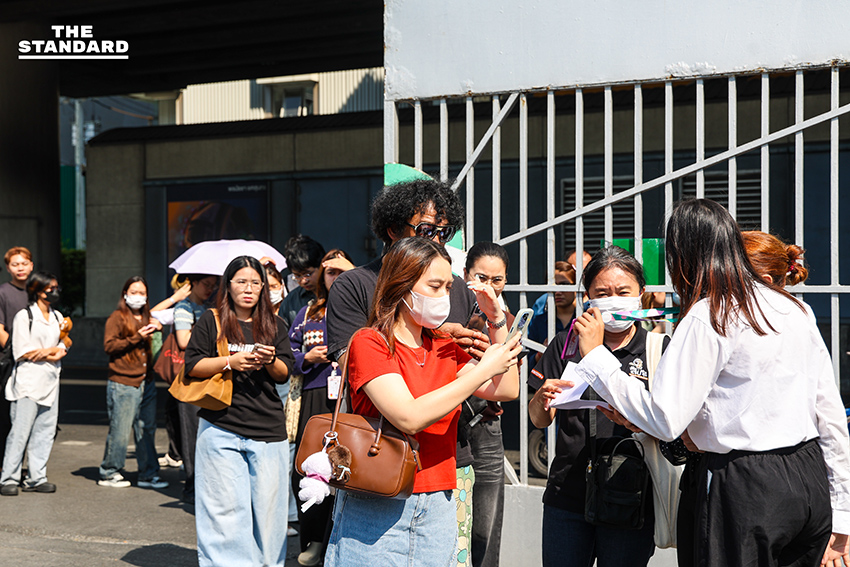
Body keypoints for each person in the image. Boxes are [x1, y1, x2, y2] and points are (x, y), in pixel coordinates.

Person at [572, 199, 850, 567]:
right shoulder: (793, 308)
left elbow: (665, 417)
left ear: (681, 256)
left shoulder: (709, 314)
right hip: (807, 477)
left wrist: (596, 359)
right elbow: (829, 411)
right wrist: (842, 511)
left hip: (743, 486)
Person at [323, 237, 522, 567]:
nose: (445, 296)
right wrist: (480, 370)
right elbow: (409, 416)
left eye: (448, 286)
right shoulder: (370, 342)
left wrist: (496, 319)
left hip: (440, 502)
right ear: (402, 285)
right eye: (435, 286)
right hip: (379, 502)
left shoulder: (443, 344)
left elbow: (506, 388)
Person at [665, 229, 814, 567]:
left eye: (726, 270)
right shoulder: (801, 317)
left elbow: (676, 413)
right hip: (801, 471)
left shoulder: (720, 316)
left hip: (744, 478)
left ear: (760, 278)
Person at [528, 245, 665, 567]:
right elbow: (539, 421)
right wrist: (540, 400)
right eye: (602, 292)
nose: (613, 298)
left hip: (631, 494)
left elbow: (668, 421)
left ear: (641, 293)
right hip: (567, 494)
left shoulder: (658, 349)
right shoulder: (565, 343)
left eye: (623, 291)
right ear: (588, 296)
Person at [184, 255, 295, 567]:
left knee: (270, 515)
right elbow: (193, 366)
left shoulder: (275, 325)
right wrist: (230, 361)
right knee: (223, 511)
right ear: (228, 286)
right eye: (241, 282)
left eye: (255, 283)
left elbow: (285, 372)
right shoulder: (212, 321)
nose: (249, 289)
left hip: (268, 428)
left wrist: (270, 359)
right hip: (221, 426)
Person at [289, 248, 353, 566]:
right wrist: (306, 358)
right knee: (310, 469)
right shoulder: (307, 314)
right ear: (322, 278)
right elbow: (287, 355)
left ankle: (337, 543)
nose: (336, 278)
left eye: (343, 272)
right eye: (330, 272)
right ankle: (313, 540)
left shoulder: (363, 309)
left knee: (347, 471)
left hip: (353, 398)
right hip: (315, 398)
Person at [461, 241, 514, 567]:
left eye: (498, 280)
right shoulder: (448, 311)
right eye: (482, 278)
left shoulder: (505, 319)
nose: (489, 287)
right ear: (466, 275)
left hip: (487, 427)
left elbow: (510, 381)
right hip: (448, 425)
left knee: (485, 528)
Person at [0, 272, 66, 495]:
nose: (54, 292)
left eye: (56, 287)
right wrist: (51, 352)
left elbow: (64, 342)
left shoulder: (57, 316)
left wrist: (58, 350)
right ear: (38, 290)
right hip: (27, 383)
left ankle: (37, 477)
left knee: (45, 431)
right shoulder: (24, 316)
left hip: (50, 381)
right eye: (50, 288)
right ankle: (9, 478)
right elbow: (22, 352)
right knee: (20, 432)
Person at [99, 277, 167, 489]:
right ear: (125, 294)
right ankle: (109, 471)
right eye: (134, 292)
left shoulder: (148, 317)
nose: (138, 296)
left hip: (146, 381)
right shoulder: (117, 317)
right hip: (123, 381)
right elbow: (109, 346)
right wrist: (136, 337)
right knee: (120, 429)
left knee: (146, 428)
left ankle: (148, 473)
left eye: (142, 293)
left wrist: (157, 328)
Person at [168, 273, 217, 504]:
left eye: (213, 285)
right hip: (189, 378)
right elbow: (184, 340)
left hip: (209, 376)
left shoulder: (210, 307)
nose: (210, 289)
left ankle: (202, 485)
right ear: (193, 284)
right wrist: (208, 331)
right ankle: (191, 486)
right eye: (205, 284)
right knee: (191, 434)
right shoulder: (184, 307)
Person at [0, 247, 34, 467]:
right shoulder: (3, 292)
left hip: (36, 363)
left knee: (31, 417)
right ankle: (6, 467)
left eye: (24, 263)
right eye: (15, 264)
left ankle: (24, 467)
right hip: (11, 362)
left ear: (31, 265)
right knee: (6, 417)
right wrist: (18, 350)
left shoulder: (38, 291)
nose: (20, 268)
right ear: (8, 268)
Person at [527, 261, 577, 352]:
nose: (557, 291)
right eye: (553, 286)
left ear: (576, 286)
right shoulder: (539, 322)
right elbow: (529, 361)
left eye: (564, 285)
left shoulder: (585, 318)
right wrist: (542, 352)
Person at [280, 235, 326, 328]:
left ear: (321, 266)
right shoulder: (290, 302)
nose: (303, 281)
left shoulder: (336, 294)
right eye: (297, 276)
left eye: (308, 274)